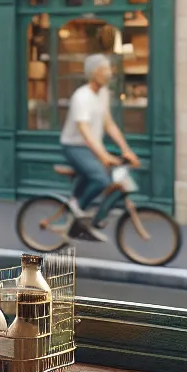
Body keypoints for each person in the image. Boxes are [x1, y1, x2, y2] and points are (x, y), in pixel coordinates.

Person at [59, 52, 141, 242]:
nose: (109, 73)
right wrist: (103, 155)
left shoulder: (103, 94)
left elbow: (109, 124)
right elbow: (84, 131)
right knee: (101, 179)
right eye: (104, 69)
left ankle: (96, 218)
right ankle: (77, 215)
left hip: (92, 147)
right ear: (94, 73)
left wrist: (126, 150)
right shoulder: (81, 97)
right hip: (75, 147)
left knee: (120, 178)